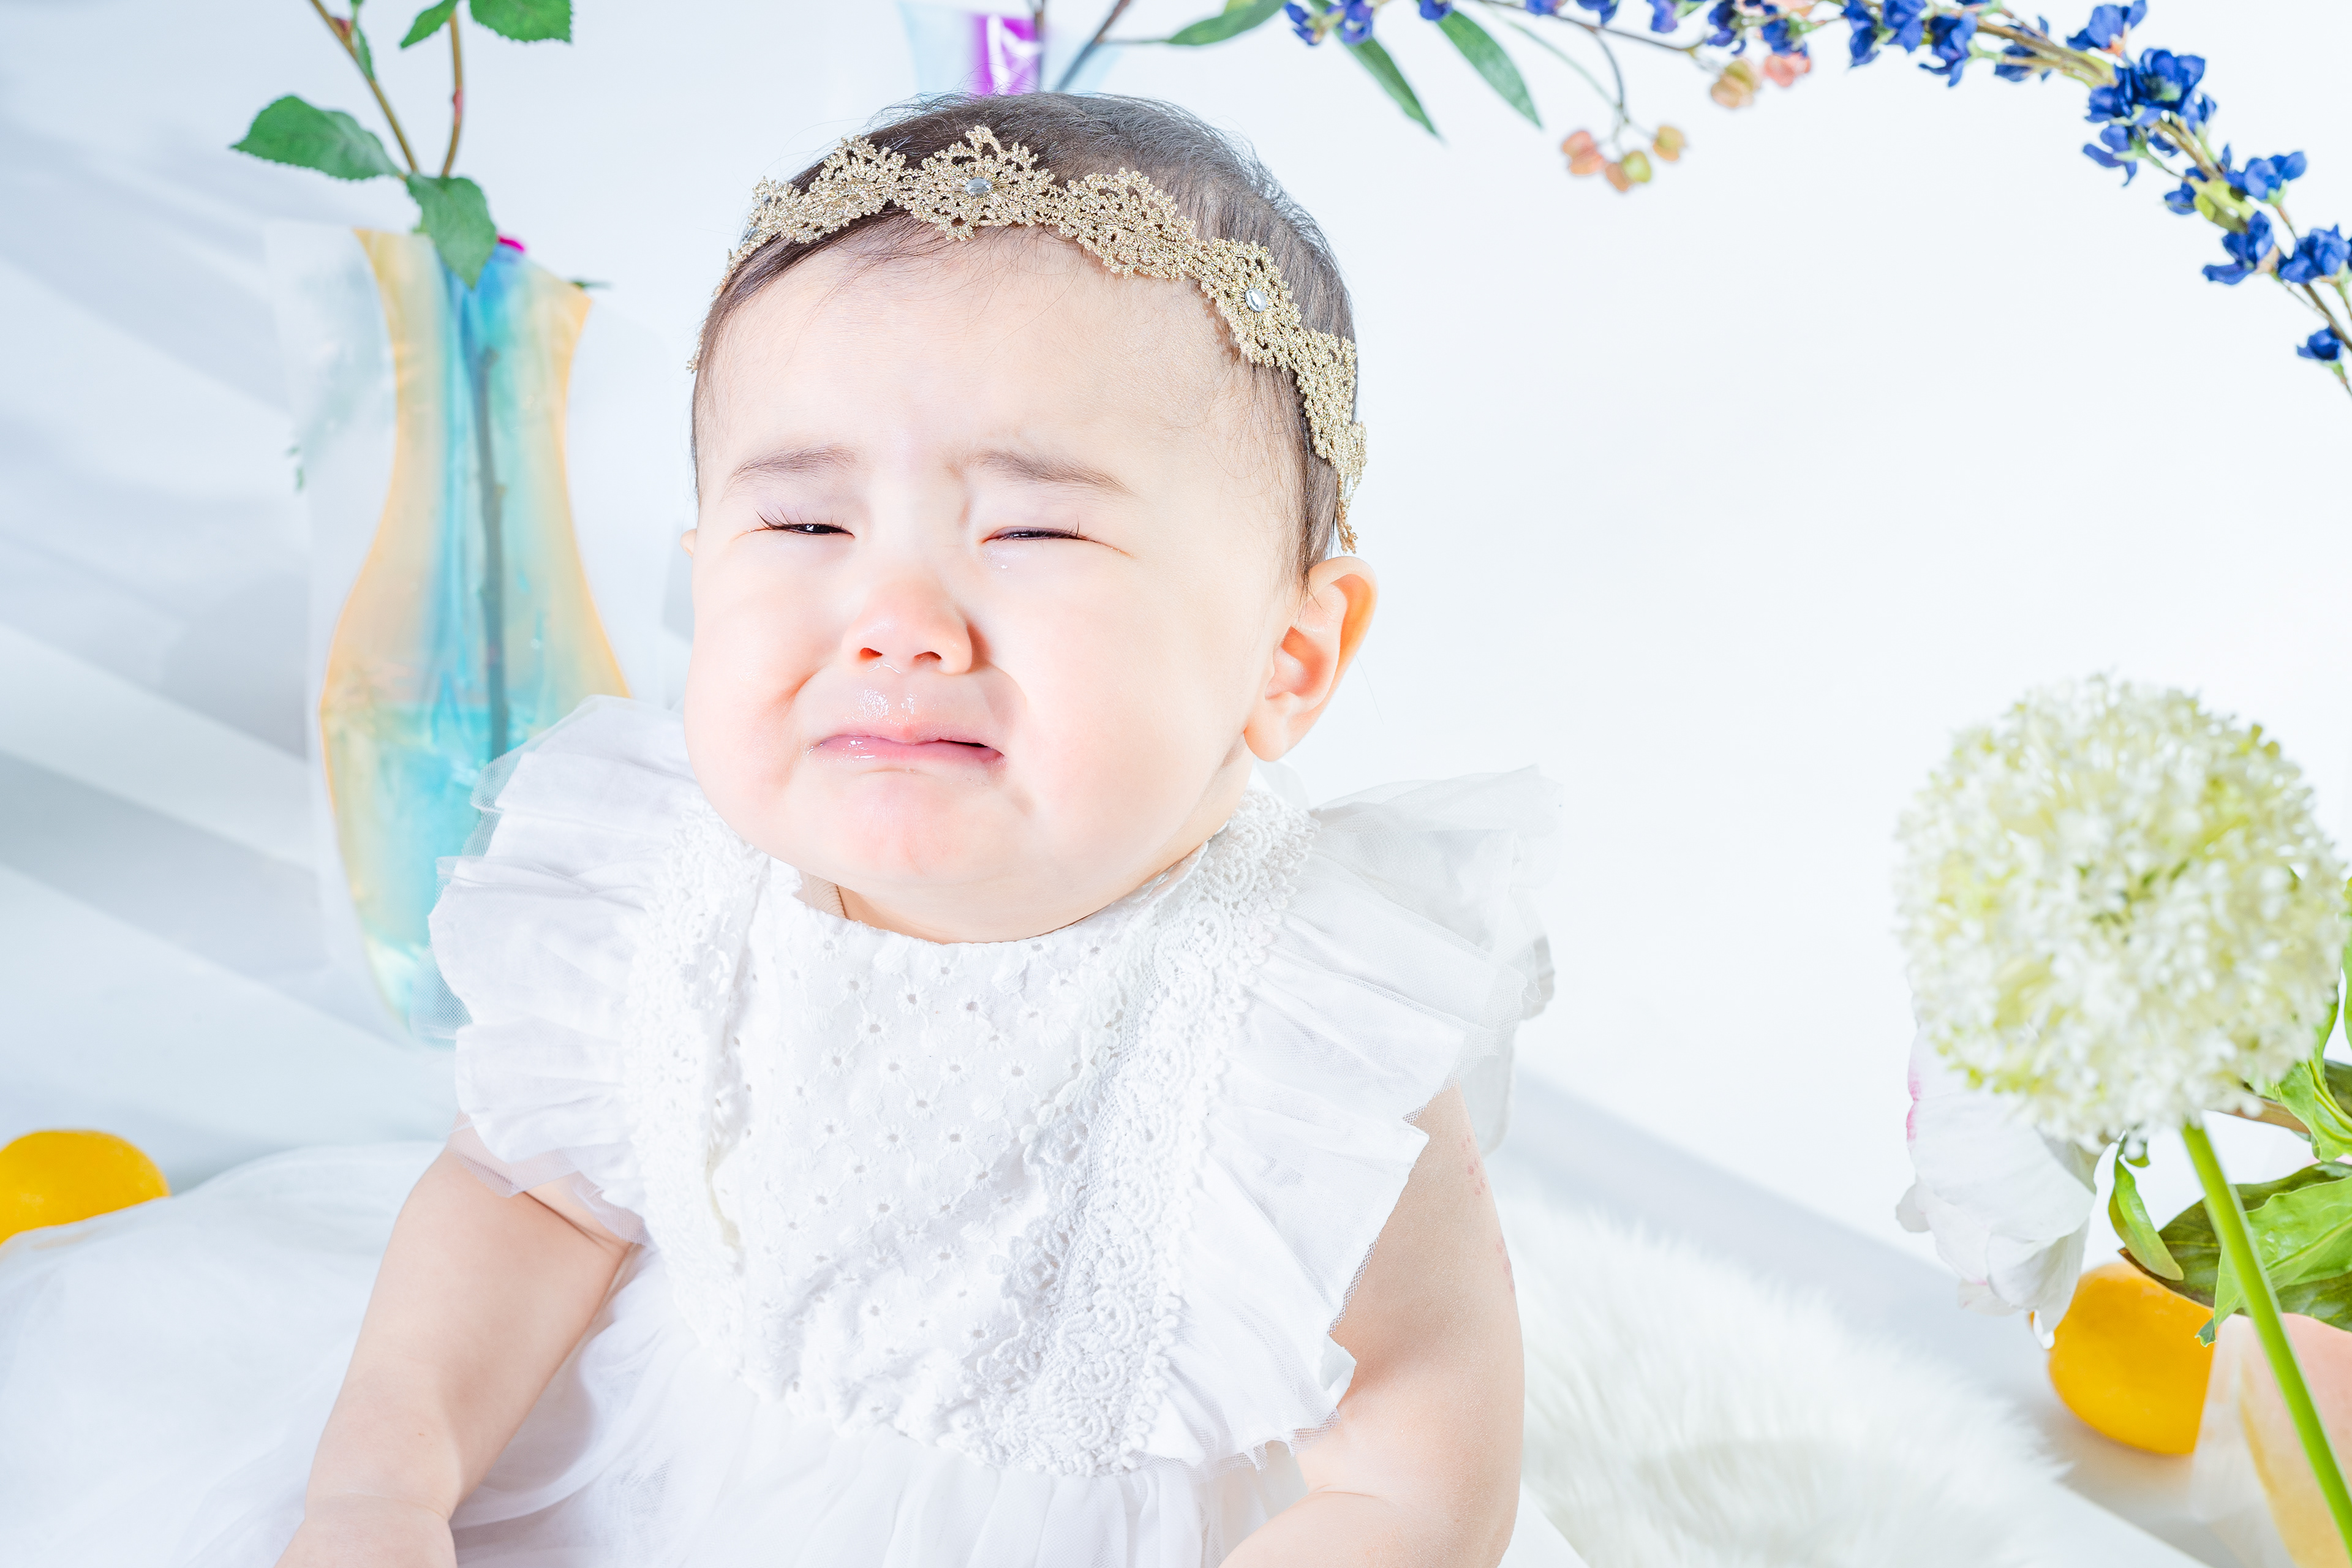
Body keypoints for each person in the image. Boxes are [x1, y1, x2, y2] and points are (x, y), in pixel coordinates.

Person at [0, 93, 1578, 1567]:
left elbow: (1419, 1469)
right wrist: (386, 1482)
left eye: (1033, 528)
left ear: (1289, 655)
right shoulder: (659, 888)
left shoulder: (1300, 1017)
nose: (895, 618)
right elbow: (533, 1201)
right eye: (807, 520)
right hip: (650, 1473)